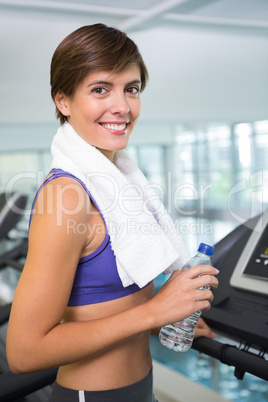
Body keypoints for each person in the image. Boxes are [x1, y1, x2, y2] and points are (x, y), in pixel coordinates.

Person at [6, 23, 219, 402]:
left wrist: (166, 318)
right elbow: (24, 352)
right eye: (100, 89)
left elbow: (104, 306)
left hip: (138, 389)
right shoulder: (67, 197)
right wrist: (155, 312)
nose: (122, 107)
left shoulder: (119, 182)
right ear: (64, 101)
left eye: (131, 89)